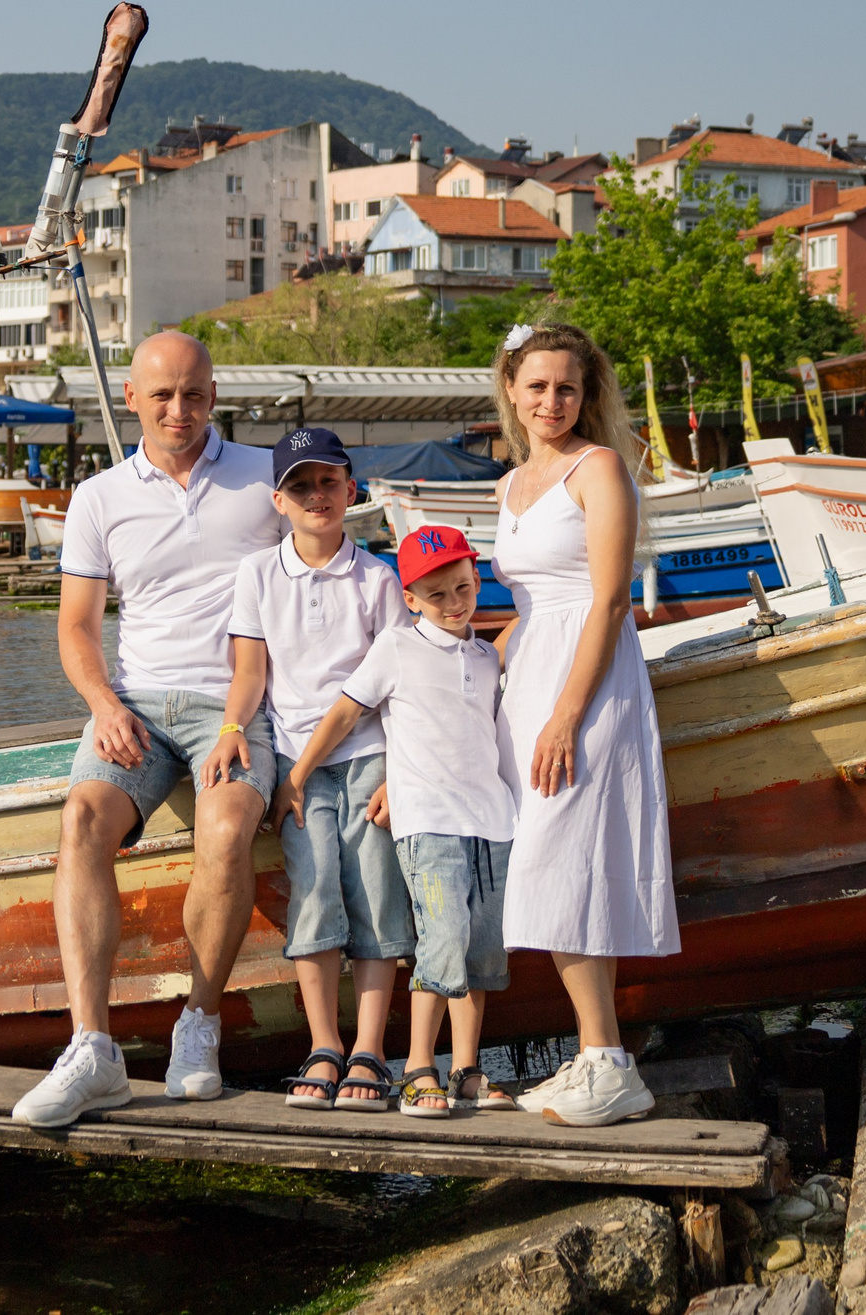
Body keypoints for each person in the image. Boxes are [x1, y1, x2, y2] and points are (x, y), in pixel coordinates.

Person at [12, 331, 285, 1127]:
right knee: (82, 817)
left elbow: (324, 570)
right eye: (162, 394)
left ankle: (197, 1027)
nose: (180, 409)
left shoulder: (266, 478)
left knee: (228, 830)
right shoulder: (99, 497)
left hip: (233, 707)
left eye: (195, 393)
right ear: (130, 397)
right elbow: (76, 628)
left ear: (214, 393)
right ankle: (92, 1047)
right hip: (135, 705)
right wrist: (102, 703)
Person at [491, 321, 680, 1129]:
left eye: (567, 387)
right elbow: (522, 606)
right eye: (536, 386)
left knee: (560, 856)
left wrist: (567, 713)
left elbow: (607, 600)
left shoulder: (599, 468)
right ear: (511, 390)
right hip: (531, 672)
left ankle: (608, 1061)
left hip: (589, 683)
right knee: (557, 864)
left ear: (587, 393)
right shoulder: (508, 484)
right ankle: (597, 1054)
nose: (551, 401)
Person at [293, 524, 518, 1118]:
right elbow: (346, 713)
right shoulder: (396, 646)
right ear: (410, 597)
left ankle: (467, 1067)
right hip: (430, 822)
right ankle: (419, 1066)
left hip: (492, 822)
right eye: (437, 594)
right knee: (439, 940)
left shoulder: (486, 655)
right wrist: (298, 775)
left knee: (480, 950)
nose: (454, 603)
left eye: (464, 588)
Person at [229, 427, 410, 1112]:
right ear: (279, 499)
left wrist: (401, 771)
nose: (316, 495)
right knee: (314, 890)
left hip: (369, 757)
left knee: (376, 888)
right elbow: (251, 673)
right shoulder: (258, 574)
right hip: (297, 767)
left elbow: (401, 687)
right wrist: (233, 733)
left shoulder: (377, 577)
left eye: (328, 481)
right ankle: (324, 1042)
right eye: (301, 485)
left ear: (350, 487)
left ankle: (369, 1047)